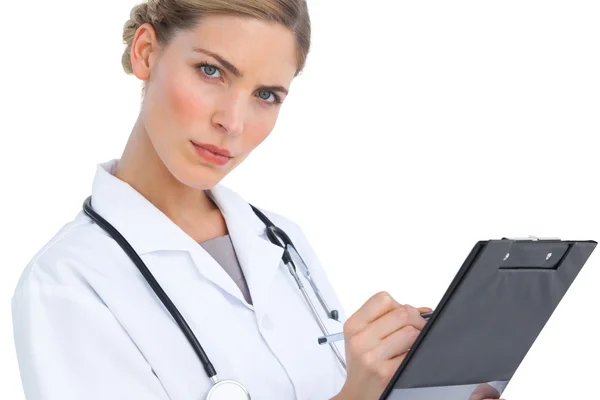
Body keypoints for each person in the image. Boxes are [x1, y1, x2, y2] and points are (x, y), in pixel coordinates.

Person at [11, 1, 503, 399]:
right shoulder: (68, 283)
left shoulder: (280, 240)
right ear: (146, 52)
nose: (234, 121)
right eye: (211, 71)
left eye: (266, 95)